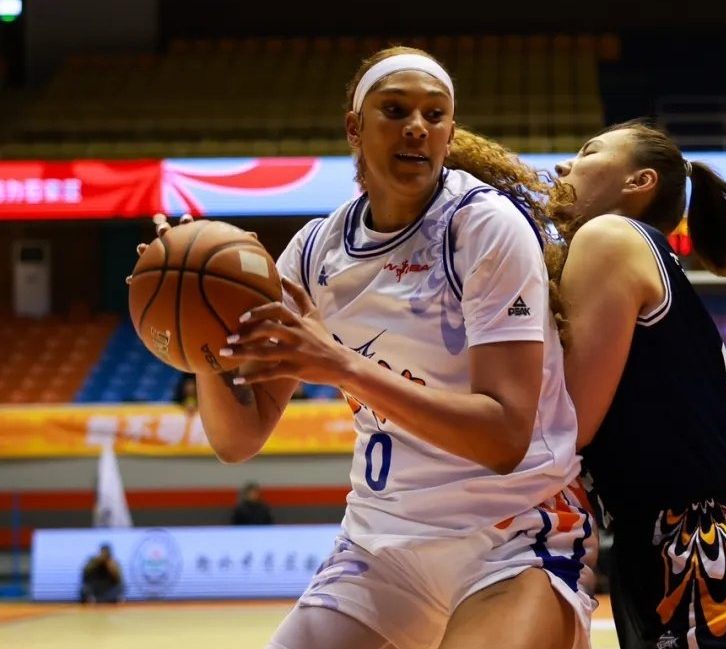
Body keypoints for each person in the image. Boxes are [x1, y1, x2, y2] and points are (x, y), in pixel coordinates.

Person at [134, 47, 594, 649]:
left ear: (450, 131)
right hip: (380, 547)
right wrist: (207, 345)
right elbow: (237, 439)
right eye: (395, 110)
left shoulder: (483, 226)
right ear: (355, 127)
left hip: (509, 536)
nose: (417, 128)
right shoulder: (315, 251)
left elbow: (505, 438)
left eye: (435, 115)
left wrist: (340, 364)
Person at [552, 120, 726, 647]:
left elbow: (567, 426)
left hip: (701, 548)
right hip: (669, 544)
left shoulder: (610, 236)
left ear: (638, 182)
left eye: (588, 151)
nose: (564, 165)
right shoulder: (635, 252)